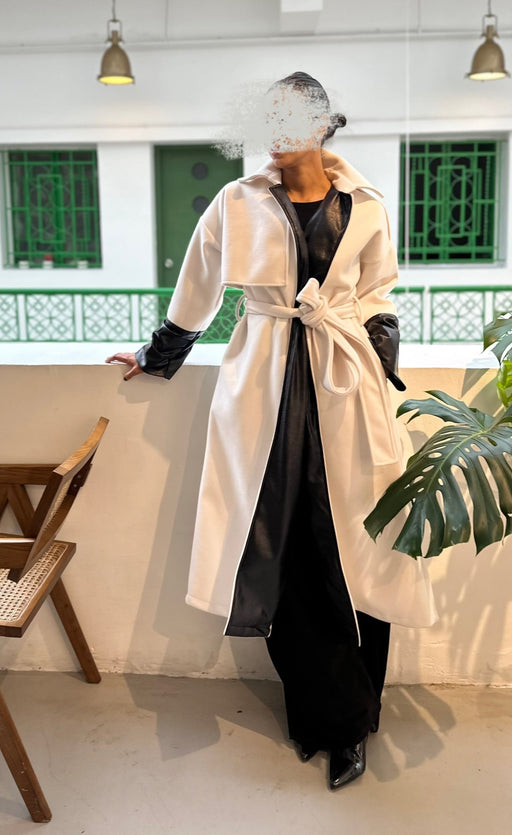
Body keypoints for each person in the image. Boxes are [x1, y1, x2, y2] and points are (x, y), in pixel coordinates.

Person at [106, 71, 437, 791]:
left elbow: (378, 295)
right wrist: (157, 354)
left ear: (322, 125)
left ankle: (352, 718)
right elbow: (197, 283)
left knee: (356, 548)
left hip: (345, 388)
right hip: (264, 387)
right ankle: (322, 717)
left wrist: (379, 367)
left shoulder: (366, 205)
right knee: (278, 550)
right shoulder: (238, 200)